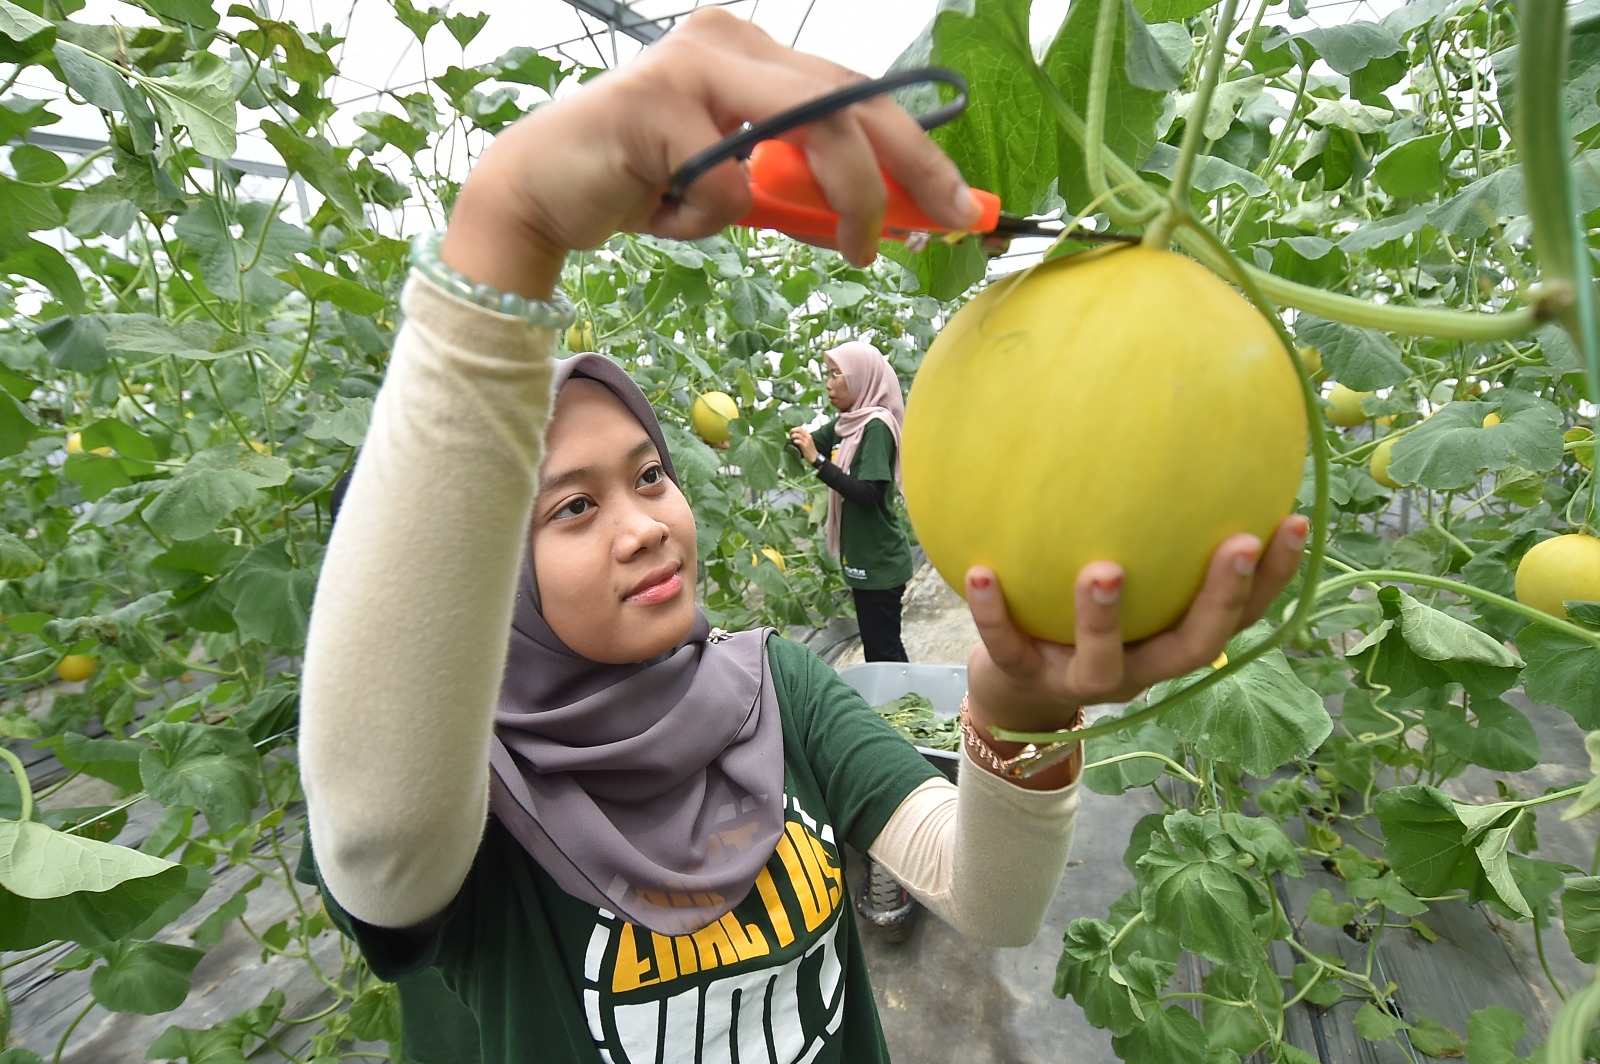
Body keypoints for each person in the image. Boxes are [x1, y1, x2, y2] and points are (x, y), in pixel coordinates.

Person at [296, 10, 1310, 1064]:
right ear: (481, 576)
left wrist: (1019, 708)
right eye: (571, 507)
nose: (645, 525)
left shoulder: (775, 688)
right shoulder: (470, 801)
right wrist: (507, 230)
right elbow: (377, 824)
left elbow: (990, 898)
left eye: (650, 475)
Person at [788, 341, 913, 662]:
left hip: (880, 562)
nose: (828, 384)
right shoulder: (848, 423)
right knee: (879, 649)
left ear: (860, 378)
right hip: (862, 560)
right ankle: (899, 706)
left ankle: (902, 709)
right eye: (827, 375)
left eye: (836, 375)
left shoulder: (875, 426)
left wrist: (818, 462)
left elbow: (867, 495)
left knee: (883, 652)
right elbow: (805, 442)